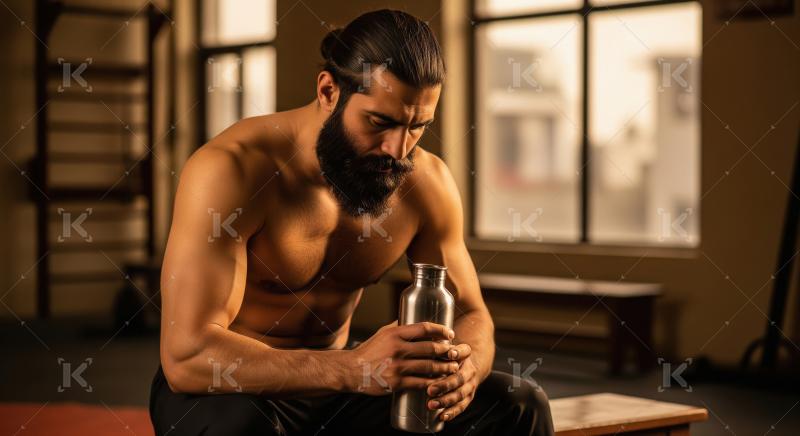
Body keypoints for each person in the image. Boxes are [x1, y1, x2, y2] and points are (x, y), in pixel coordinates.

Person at [149, 9, 554, 436]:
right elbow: (188, 357)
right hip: (231, 389)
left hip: (341, 388)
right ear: (328, 90)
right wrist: (354, 367)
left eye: (418, 127)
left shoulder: (425, 182)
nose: (398, 149)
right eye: (380, 122)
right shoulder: (232, 170)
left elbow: (473, 311)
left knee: (518, 405)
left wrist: (466, 368)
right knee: (242, 427)